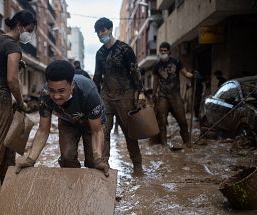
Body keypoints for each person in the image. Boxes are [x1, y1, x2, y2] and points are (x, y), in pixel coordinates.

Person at [15, 60, 109, 177]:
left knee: (93, 162)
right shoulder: (45, 95)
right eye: (52, 90)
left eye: (61, 91)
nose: (56, 96)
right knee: (67, 157)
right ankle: (72, 188)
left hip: (92, 123)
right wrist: (30, 160)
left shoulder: (88, 92)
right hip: (67, 121)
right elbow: (43, 130)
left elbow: (97, 131)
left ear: (72, 85)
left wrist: (98, 159)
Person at [0, 10, 36, 194]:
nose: (30, 35)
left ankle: (6, 177)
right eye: (29, 30)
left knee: (6, 139)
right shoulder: (13, 46)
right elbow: (12, 80)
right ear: (19, 25)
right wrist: (21, 102)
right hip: (0, 95)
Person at [93, 17, 145, 175]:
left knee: (130, 133)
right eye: (98, 32)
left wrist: (140, 92)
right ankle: (104, 167)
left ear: (110, 29)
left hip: (125, 96)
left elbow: (135, 71)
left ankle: (137, 166)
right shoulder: (99, 53)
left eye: (103, 30)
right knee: (103, 132)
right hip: (106, 98)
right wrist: (94, 96)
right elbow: (97, 76)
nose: (101, 34)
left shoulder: (125, 49)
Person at [152, 42, 193, 148]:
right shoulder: (156, 66)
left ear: (169, 51)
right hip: (162, 96)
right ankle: (164, 145)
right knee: (161, 121)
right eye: (161, 51)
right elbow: (155, 81)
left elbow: (185, 73)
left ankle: (186, 142)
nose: (163, 53)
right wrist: (154, 94)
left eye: (165, 51)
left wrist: (192, 76)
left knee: (182, 121)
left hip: (175, 95)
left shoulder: (176, 62)